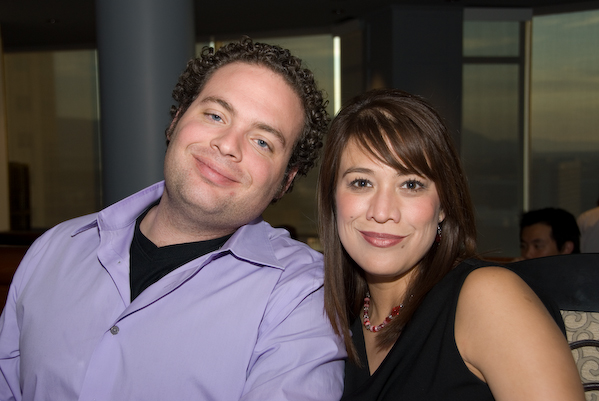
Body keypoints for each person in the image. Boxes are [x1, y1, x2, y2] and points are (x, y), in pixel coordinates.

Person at [0, 38, 345, 400]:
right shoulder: (55, 249)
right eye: (215, 115)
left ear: (285, 181)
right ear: (176, 121)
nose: (228, 145)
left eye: (262, 141)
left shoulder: (303, 295)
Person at [317, 88, 584, 400]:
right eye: (362, 183)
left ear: (443, 205)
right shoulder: (327, 321)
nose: (382, 211)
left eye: (411, 184)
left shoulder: (488, 298)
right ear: (333, 199)